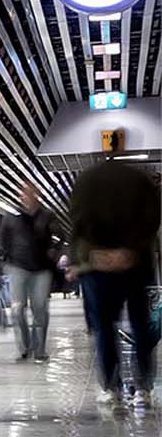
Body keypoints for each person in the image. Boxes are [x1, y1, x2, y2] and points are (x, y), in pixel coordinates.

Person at [65, 159, 160, 408]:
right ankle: (144, 389)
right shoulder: (139, 180)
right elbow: (152, 218)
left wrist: (92, 254)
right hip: (135, 262)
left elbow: (78, 221)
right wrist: (129, 249)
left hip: (98, 264)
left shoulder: (85, 181)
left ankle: (112, 389)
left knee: (105, 328)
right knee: (140, 325)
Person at [0, 181, 57, 362]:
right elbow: (3, 240)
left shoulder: (47, 215)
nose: (26, 196)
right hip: (17, 267)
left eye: (31, 193)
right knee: (17, 309)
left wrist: (53, 251)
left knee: (39, 308)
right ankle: (24, 347)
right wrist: (3, 264)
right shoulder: (11, 216)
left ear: (37, 195)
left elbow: (57, 237)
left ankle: (39, 350)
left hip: (42, 269)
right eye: (23, 193)